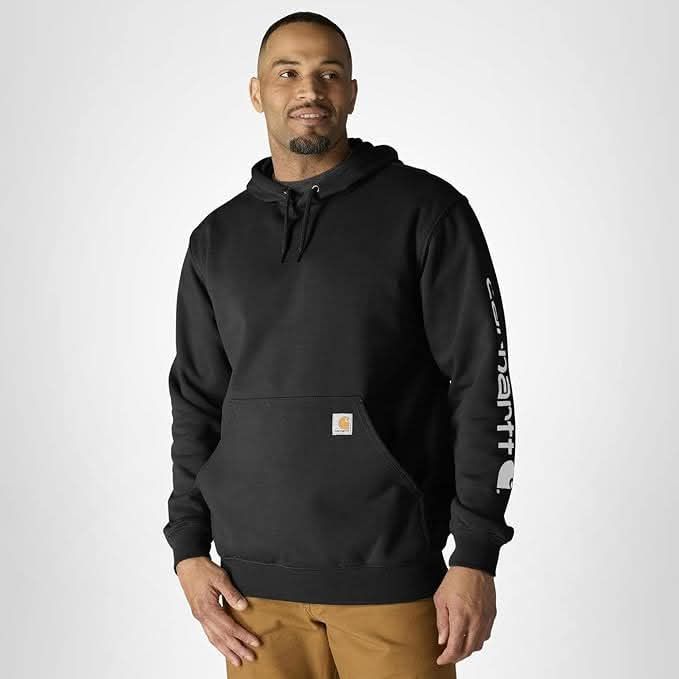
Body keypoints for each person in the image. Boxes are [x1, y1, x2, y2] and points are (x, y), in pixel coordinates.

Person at [162, 11, 516, 678]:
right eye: (287, 73)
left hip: (393, 579)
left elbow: (481, 383)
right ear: (256, 92)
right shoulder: (216, 239)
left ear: (351, 92)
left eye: (328, 74)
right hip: (251, 594)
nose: (309, 90)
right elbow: (197, 401)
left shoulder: (426, 212)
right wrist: (188, 548)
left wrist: (476, 553)